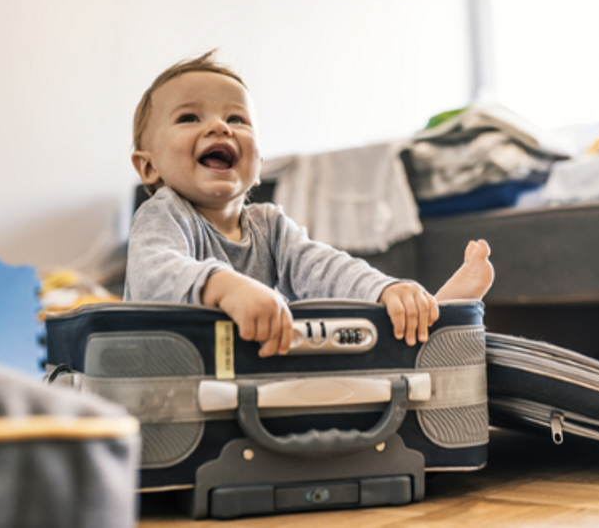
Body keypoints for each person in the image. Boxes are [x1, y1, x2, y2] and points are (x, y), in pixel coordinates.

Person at [124, 50, 494, 357]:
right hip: (170, 380)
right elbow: (154, 274)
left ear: (258, 170)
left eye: (236, 119)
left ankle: (429, 319)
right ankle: (427, 331)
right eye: (189, 117)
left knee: (347, 343)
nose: (220, 128)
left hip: (252, 379)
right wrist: (224, 286)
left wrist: (384, 289)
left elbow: (326, 270)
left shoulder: (269, 226)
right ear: (148, 166)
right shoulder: (164, 214)